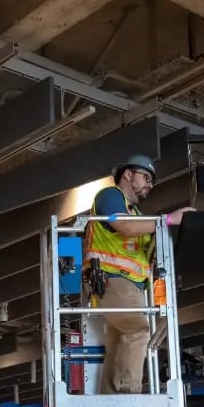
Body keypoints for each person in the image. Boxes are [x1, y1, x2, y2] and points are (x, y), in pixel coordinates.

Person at [84, 154, 195, 393]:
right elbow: (123, 227)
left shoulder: (137, 215)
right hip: (112, 280)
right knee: (138, 331)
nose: (150, 184)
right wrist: (170, 218)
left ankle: (111, 400)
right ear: (127, 174)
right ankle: (129, 393)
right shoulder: (112, 196)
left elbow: (155, 269)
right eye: (146, 177)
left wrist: (164, 307)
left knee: (118, 345)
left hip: (131, 288)